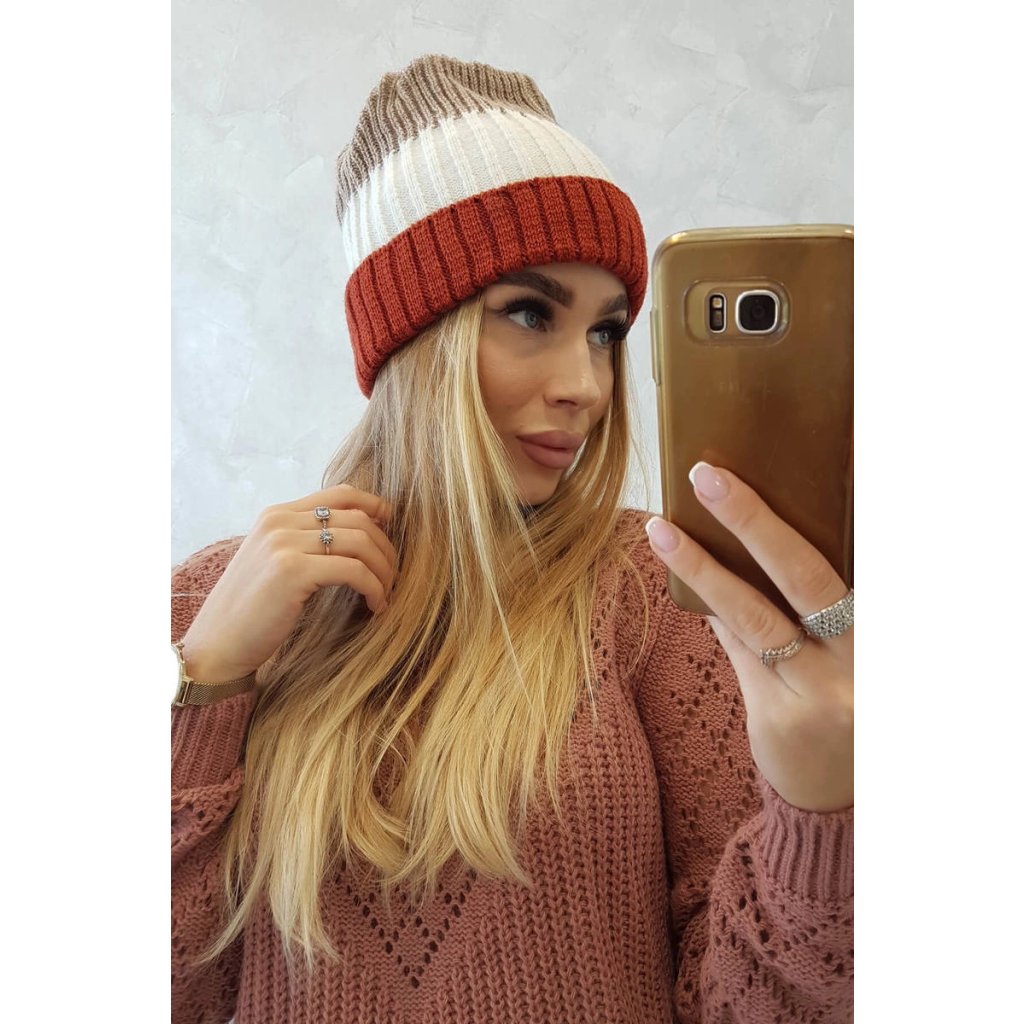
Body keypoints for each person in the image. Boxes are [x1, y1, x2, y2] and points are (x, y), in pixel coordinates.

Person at [171, 54, 853, 1023]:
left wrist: (819, 814)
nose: (586, 384)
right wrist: (201, 685)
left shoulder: (653, 598)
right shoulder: (213, 606)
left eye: (606, 333)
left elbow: (747, 1003)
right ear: (411, 339)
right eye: (529, 313)